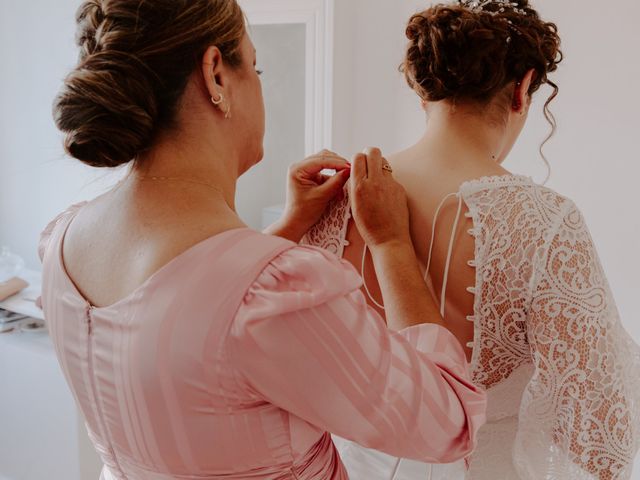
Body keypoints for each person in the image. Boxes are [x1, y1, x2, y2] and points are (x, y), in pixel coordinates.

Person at [38, 1, 487, 479]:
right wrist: (392, 244)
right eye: (255, 66)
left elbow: (187, 317)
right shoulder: (273, 290)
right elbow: (448, 424)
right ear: (216, 74)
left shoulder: (63, 242)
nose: (259, 83)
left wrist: (289, 228)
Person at [303, 0, 640, 478]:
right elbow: (602, 433)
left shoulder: (332, 199)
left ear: (423, 91)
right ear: (523, 88)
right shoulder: (542, 220)